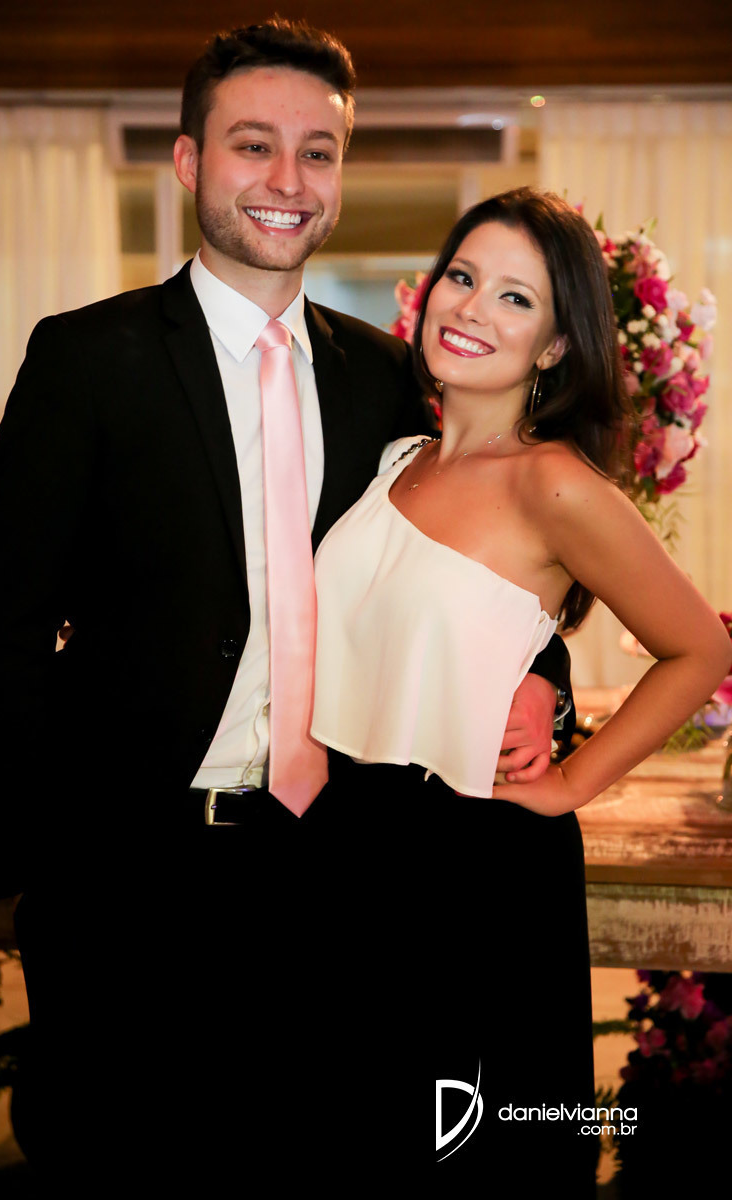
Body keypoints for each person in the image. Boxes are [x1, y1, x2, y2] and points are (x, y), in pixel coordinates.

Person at [0, 20, 570, 1191]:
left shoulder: (390, 376)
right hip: (133, 885)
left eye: (317, 152)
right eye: (253, 145)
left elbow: (491, 549)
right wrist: (52, 878)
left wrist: (538, 680)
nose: (287, 179)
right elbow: (6, 625)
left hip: (340, 876)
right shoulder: (86, 358)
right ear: (190, 161)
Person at [308, 188, 732, 1195]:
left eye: (514, 297)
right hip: (345, 847)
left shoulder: (552, 483)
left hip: (466, 871)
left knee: (471, 1164)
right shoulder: (394, 458)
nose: (470, 308)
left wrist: (570, 781)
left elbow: (696, 651)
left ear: (554, 344)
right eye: (462, 277)